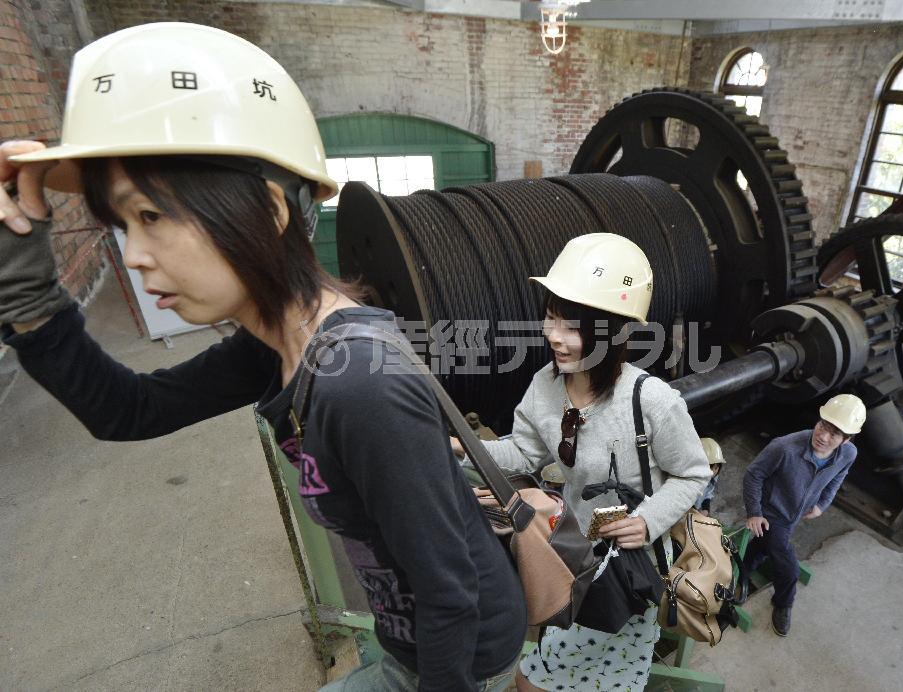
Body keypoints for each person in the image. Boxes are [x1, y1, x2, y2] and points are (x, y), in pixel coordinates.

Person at [0, 22, 525, 691]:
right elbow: (127, 410)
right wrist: (23, 284)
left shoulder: (358, 385)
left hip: (460, 658)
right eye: (123, 226)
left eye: (152, 216)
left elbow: (450, 593)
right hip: (408, 638)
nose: (133, 254)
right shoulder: (275, 346)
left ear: (269, 208)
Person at [452, 233, 712, 692]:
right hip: (573, 549)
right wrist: (463, 446)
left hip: (629, 566)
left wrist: (647, 520)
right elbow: (525, 452)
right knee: (553, 660)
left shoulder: (651, 400)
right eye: (551, 318)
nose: (553, 336)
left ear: (614, 333)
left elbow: (693, 473)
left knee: (560, 677)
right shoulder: (545, 386)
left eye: (572, 327)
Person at [737, 394, 865, 637]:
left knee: (764, 546)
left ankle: (742, 570)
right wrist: (754, 513)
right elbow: (753, 474)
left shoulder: (848, 454)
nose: (824, 436)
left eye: (834, 434)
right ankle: (783, 605)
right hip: (772, 513)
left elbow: (839, 477)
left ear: (846, 439)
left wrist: (823, 503)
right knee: (789, 570)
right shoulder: (784, 447)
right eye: (823, 425)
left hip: (796, 513)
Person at [694, 437, 726, 516]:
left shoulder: (713, 478)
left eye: (716, 468)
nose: (712, 473)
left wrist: (706, 509)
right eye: (709, 468)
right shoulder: (691, 479)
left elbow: (708, 493)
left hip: (695, 510)